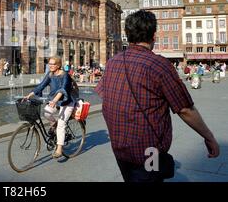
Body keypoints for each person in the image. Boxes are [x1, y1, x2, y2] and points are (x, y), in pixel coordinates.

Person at [96, 10, 219, 182]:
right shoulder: (159, 65)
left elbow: (105, 95)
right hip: (149, 151)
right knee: (150, 180)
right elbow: (185, 109)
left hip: (120, 148)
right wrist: (209, 137)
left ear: (128, 34)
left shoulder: (112, 62)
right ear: (153, 35)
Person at [23, 55, 75, 159]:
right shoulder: (50, 75)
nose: (50, 66)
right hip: (55, 102)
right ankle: (54, 124)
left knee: (61, 124)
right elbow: (41, 85)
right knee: (46, 111)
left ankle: (59, 149)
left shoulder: (65, 75)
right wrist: (29, 95)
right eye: (49, 64)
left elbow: (63, 89)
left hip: (67, 102)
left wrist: (55, 100)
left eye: (53, 64)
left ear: (58, 65)